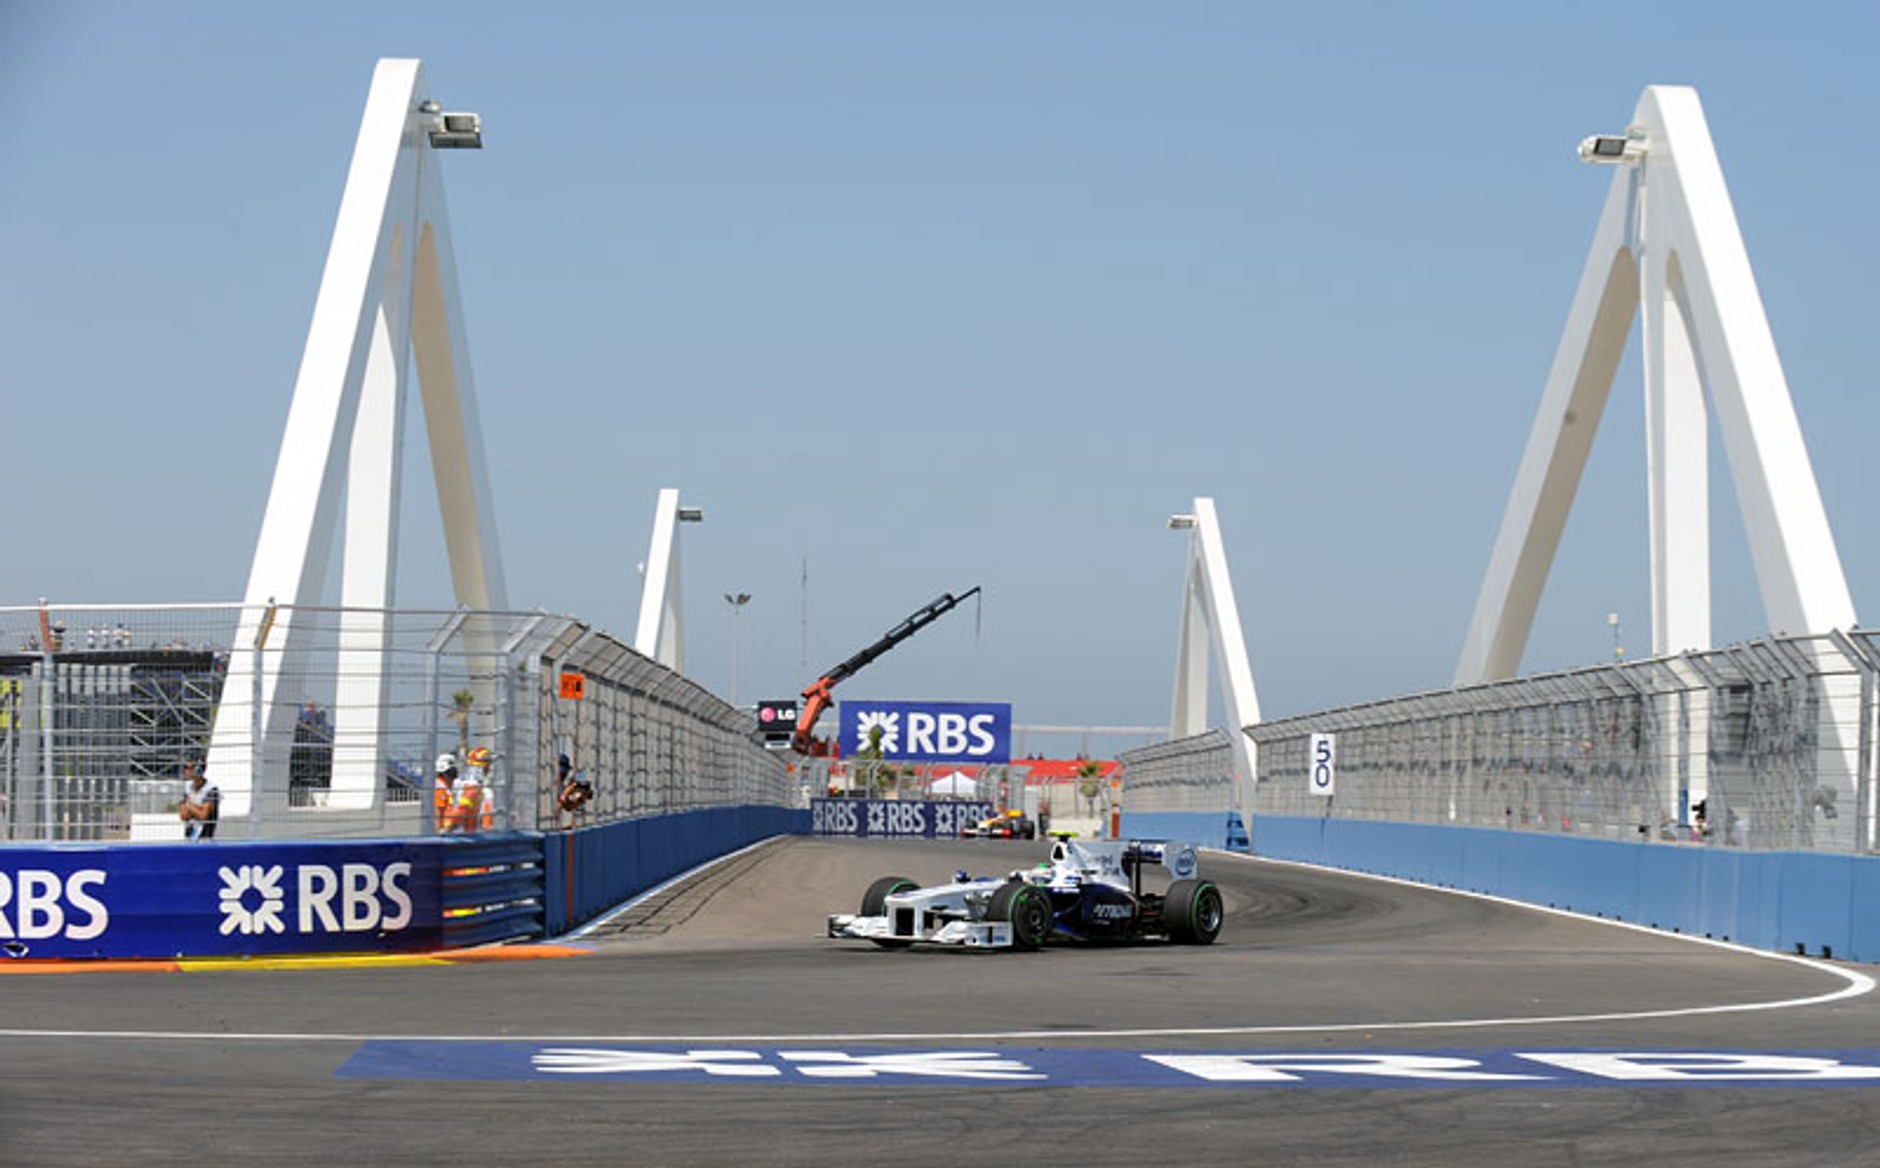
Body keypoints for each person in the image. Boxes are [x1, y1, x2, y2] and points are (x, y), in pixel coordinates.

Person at [443, 746, 493, 833]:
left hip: (455, 832)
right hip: (468, 835)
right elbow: (461, 810)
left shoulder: (458, 783)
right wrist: (447, 829)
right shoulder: (477, 789)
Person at [177, 757, 219, 841]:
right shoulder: (187, 786)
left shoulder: (211, 789)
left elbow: (203, 815)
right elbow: (183, 815)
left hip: (205, 836)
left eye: (190, 767)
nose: (186, 770)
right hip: (190, 835)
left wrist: (189, 806)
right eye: (185, 767)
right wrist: (198, 808)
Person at [433, 753, 458, 833]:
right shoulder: (440, 789)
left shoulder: (446, 788)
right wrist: (439, 831)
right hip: (446, 830)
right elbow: (438, 812)